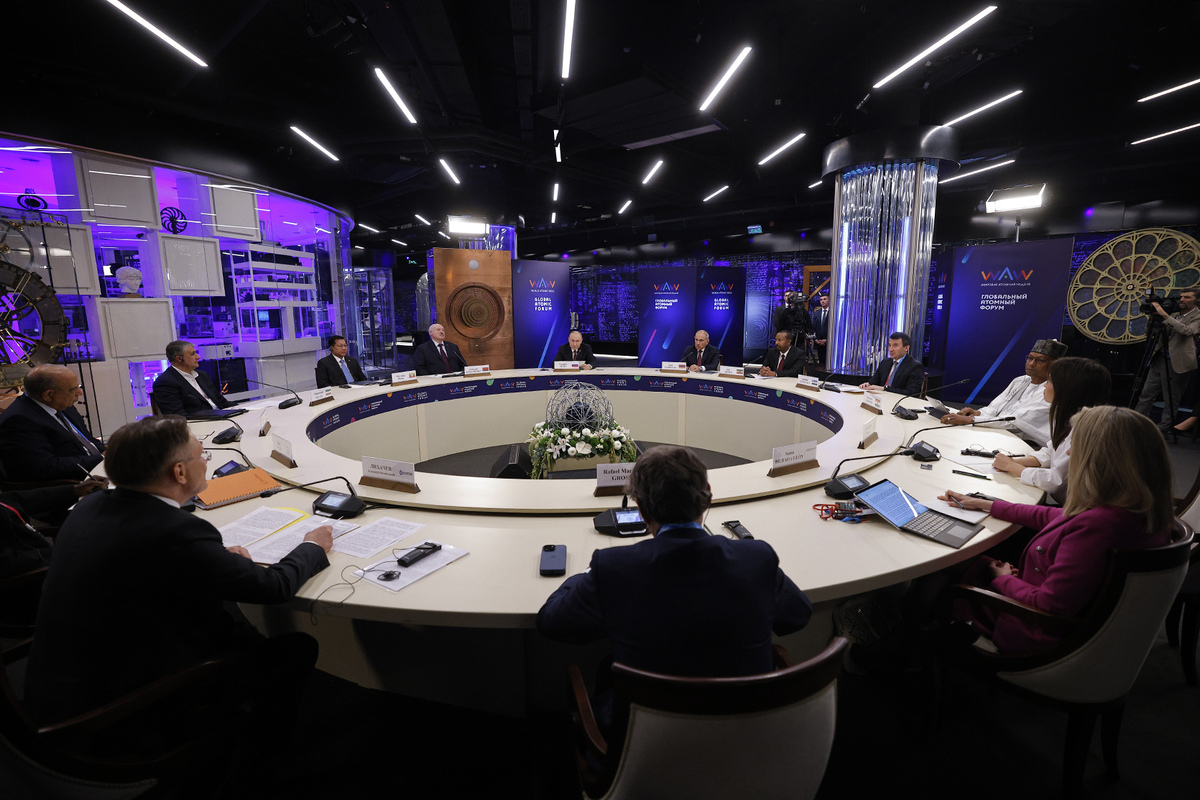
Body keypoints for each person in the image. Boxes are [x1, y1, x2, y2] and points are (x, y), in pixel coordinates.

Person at [24, 415, 333, 731]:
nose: (206, 462)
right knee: (297, 649)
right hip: (118, 708)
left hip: (61, 682)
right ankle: (259, 751)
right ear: (179, 472)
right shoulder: (175, 531)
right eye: (202, 455)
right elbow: (274, 587)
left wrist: (213, 560)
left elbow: (150, 566)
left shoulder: (90, 506)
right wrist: (312, 546)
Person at [537, 445, 812, 679]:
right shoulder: (757, 558)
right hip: (748, 720)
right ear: (708, 497)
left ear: (641, 509)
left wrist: (588, 574)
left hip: (645, 725)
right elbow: (797, 616)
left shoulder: (612, 568)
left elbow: (552, 621)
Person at [940, 406, 1174, 655]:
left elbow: (1048, 605)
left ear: (1101, 459)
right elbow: (1050, 515)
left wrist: (1004, 579)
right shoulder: (1138, 510)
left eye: (1076, 445)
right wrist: (986, 504)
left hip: (1031, 629)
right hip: (1070, 617)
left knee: (946, 570)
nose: (1070, 452)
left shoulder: (1098, 526)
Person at [990, 357, 1111, 504]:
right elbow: (1051, 451)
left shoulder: (1087, 429)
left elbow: (1056, 482)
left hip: (1077, 510)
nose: (1045, 385)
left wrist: (1012, 466)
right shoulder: (1071, 417)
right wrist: (1014, 462)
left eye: (1050, 381)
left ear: (1068, 388)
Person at [940, 338, 1066, 446]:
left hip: (1019, 442)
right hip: (993, 431)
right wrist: (977, 413)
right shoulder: (1020, 380)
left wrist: (971, 420)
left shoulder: (1052, 390)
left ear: (1054, 365)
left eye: (1040, 360)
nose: (1031, 364)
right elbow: (994, 408)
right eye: (1030, 358)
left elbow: (1015, 423)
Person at [0, 365, 105, 482]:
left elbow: (86, 440)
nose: (80, 392)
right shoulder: (18, 421)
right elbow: (45, 467)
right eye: (73, 389)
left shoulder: (63, 405)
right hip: (73, 483)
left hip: (96, 469)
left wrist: (109, 450)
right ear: (48, 395)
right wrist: (102, 458)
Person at [0, 479, 107, 580]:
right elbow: (8, 563)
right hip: (38, 578)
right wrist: (64, 552)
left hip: (45, 553)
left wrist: (75, 490)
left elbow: (17, 499)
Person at [1135, 288, 1200, 430]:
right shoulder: (1174, 314)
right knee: (1146, 393)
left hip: (1178, 362)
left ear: (1196, 300)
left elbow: (1186, 331)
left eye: (1187, 297)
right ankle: (1136, 424)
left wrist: (1163, 314)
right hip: (1160, 358)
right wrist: (1153, 318)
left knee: (1171, 398)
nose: (1182, 300)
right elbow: (1148, 333)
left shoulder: (1197, 316)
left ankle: (1163, 429)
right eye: (1181, 297)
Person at [151, 340, 233, 415]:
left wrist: (240, 408)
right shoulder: (165, 382)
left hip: (222, 416)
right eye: (193, 354)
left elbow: (221, 402)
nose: (198, 357)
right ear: (179, 358)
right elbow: (178, 416)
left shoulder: (202, 375)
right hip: (202, 422)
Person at [859, 332, 924, 395]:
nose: (891, 349)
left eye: (895, 345)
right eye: (890, 345)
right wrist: (868, 384)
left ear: (906, 348)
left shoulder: (915, 366)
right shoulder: (885, 362)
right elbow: (874, 381)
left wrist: (885, 389)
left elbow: (912, 393)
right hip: (880, 398)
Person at [812, 294, 830, 365]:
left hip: (830, 343)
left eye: (825, 299)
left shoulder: (833, 312)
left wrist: (827, 340)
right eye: (821, 300)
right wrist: (816, 339)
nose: (822, 301)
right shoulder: (817, 313)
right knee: (821, 363)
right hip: (819, 343)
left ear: (829, 300)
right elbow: (814, 327)